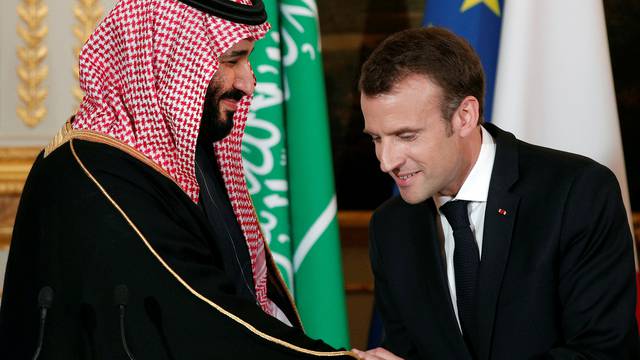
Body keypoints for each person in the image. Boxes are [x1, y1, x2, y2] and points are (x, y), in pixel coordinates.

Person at [0, 0, 356, 358]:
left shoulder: (191, 153)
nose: (249, 82)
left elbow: (244, 291)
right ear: (173, 59)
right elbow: (196, 316)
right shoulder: (90, 173)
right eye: (232, 60)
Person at [353, 27, 638, 360]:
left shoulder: (578, 193)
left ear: (464, 116)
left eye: (406, 136)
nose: (387, 161)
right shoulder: (391, 227)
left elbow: (602, 353)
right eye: (376, 139)